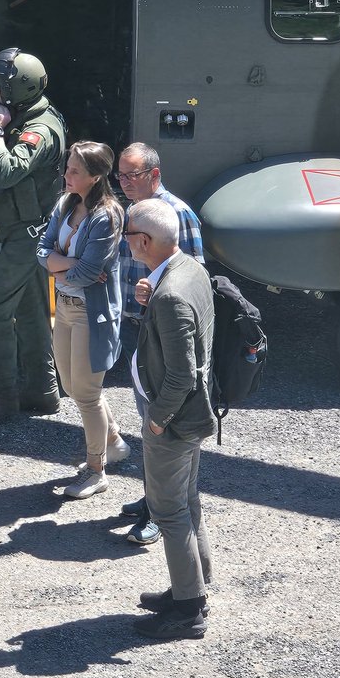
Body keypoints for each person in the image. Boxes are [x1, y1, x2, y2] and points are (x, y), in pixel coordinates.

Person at [123, 198, 215, 640]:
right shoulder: (188, 271)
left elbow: (182, 373)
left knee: (168, 511)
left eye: (128, 235)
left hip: (174, 423)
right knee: (187, 501)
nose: (126, 242)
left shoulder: (171, 295)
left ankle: (188, 611)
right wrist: (150, 294)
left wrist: (157, 420)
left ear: (143, 241)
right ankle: (191, 588)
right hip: (193, 419)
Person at [114, 142, 205, 545]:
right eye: (120, 175)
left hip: (163, 332)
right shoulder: (134, 214)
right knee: (144, 411)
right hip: (137, 327)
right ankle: (154, 494)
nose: (123, 183)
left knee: (160, 418)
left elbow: (195, 273)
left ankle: (160, 511)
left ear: (154, 174)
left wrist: (159, 293)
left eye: (131, 175)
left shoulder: (177, 214)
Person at [0, 48, 67, 422]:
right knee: (30, 314)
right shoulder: (25, 115)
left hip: (29, 235)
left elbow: (8, 172)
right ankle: (42, 393)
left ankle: (2, 395)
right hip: (23, 230)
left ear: (16, 89)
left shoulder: (39, 129)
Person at [36, 141, 128, 501]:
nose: (67, 175)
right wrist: (66, 266)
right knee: (73, 388)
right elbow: (41, 252)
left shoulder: (107, 215)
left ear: (96, 176)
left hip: (92, 313)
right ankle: (115, 440)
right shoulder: (65, 203)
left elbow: (90, 273)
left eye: (75, 170)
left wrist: (61, 266)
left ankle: (96, 469)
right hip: (64, 306)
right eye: (68, 168)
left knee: (86, 395)